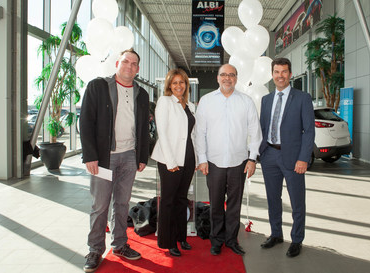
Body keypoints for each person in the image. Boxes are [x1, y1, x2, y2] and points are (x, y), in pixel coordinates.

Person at [80, 48, 149, 272]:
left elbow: (143, 128)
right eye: (126, 61)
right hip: (104, 157)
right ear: (117, 63)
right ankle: (95, 249)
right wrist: (90, 155)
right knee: (100, 205)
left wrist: (142, 156)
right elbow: (86, 122)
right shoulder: (98, 87)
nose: (130, 66)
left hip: (129, 155)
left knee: (122, 203)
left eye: (134, 63)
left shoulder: (141, 93)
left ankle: (120, 244)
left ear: (137, 69)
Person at [195, 64, 262, 256]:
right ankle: (216, 240)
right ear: (217, 78)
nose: (227, 78)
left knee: (234, 204)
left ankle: (232, 240)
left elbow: (255, 133)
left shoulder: (246, 102)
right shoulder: (206, 101)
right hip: (214, 162)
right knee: (215, 204)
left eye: (231, 75)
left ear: (236, 78)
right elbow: (200, 133)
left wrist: (252, 159)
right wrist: (202, 159)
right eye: (223, 75)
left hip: (239, 162)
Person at [259, 57, 315, 258]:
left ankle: (297, 239)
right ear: (272, 74)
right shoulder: (265, 100)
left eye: (284, 71)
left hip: (293, 158)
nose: (280, 75)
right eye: (276, 71)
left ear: (290, 74)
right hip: (269, 156)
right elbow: (263, 129)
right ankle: (276, 234)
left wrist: (303, 158)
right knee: (273, 199)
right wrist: (259, 154)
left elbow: (308, 131)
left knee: (297, 201)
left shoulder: (302, 98)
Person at [151, 68, 197, 257]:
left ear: (186, 85)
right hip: (170, 159)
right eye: (175, 82)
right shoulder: (165, 102)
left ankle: (181, 237)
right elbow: (162, 132)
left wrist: (197, 159)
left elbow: (193, 135)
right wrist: (170, 161)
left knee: (181, 199)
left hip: (187, 157)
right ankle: (168, 242)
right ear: (169, 85)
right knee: (169, 201)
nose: (179, 86)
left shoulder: (190, 106)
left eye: (182, 82)